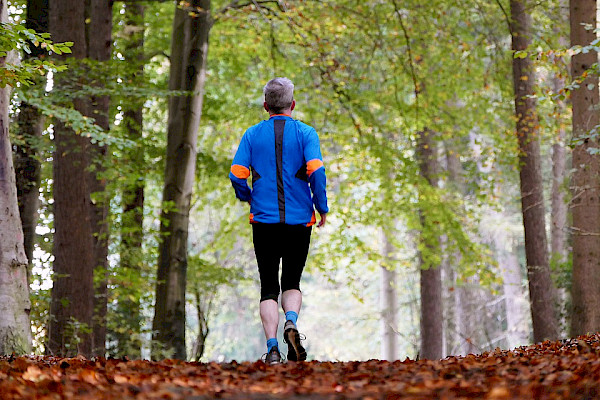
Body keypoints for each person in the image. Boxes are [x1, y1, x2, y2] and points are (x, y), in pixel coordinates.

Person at [229, 77, 329, 364]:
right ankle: (292, 323)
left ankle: (272, 348)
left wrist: (247, 196)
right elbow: (316, 172)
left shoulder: (251, 135)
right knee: (292, 282)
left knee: (268, 287)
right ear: (292, 105)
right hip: (299, 221)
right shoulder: (306, 133)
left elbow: (236, 173)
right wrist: (321, 207)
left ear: (265, 106)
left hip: (264, 221)